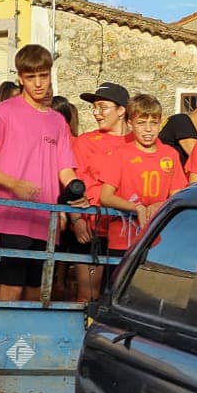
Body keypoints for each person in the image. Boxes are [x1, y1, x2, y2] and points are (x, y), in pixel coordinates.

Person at [0, 45, 88, 302]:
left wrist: (79, 192)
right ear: (20, 78)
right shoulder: (4, 112)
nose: (38, 83)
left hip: (46, 221)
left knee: (37, 293)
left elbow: (65, 169)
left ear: (50, 75)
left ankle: (26, 344)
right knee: (10, 290)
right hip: (11, 215)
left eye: (43, 76)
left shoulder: (58, 121)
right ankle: (0, 341)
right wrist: (14, 184)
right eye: (31, 77)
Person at [99, 94, 187, 257]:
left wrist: (159, 205)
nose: (148, 129)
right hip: (123, 240)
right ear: (130, 124)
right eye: (141, 123)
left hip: (158, 239)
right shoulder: (120, 154)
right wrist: (136, 207)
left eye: (153, 123)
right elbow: (105, 196)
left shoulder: (170, 155)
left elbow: (177, 195)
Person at [73, 82, 134, 301]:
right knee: (87, 295)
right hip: (93, 228)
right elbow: (72, 185)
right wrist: (76, 220)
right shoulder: (85, 142)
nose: (97, 113)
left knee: (123, 296)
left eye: (103, 106)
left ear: (121, 110)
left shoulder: (138, 141)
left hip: (129, 231)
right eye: (95, 107)